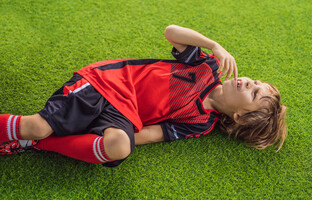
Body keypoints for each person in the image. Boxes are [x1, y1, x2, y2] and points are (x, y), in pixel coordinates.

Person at [0, 25, 287, 167]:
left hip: (124, 114)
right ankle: (35, 137)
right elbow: (171, 32)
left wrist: (106, 135)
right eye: (256, 82)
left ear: (238, 116)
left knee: (120, 149)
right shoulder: (206, 66)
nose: (250, 82)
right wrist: (215, 45)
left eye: (254, 92)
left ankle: (41, 144)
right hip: (108, 83)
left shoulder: (202, 123)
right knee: (37, 124)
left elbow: (152, 134)